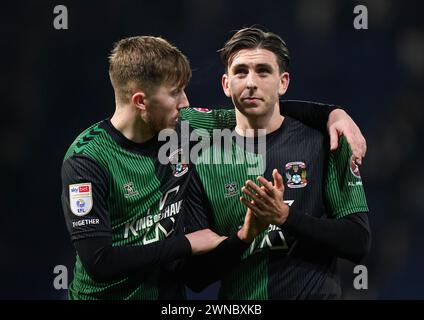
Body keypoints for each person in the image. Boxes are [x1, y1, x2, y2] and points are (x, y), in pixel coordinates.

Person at [61, 35, 367, 300]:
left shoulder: (187, 126)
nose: (185, 103)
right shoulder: (88, 159)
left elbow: (256, 107)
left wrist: (333, 114)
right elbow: (99, 262)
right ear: (141, 101)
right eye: (174, 93)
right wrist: (186, 244)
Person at [182, 27, 371, 299]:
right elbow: (195, 277)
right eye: (241, 72)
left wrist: (286, 217)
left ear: (283, 82)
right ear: (226, 84)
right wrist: (244, 237)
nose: (251, 82)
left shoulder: (326, 142)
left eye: (263, 71)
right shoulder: (203, 158)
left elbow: (358, 242)